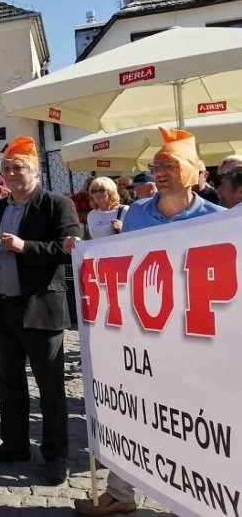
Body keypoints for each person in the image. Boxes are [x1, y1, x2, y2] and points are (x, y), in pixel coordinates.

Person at [71, 126, 224, 516]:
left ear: (193, 170)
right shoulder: (137, 214)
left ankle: (193, 502)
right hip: (141, 340)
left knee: (191, 426)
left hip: (195, 347)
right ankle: (120, 494)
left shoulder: (220, 221)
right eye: (156, 164)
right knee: (132, 414)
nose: (159, 170)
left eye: (169, 164)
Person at [0, 136, 81, 486]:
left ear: (34, 171)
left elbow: (69, 249)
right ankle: (15, 444)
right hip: (2, 306)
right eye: (6, 168)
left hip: (39, 308)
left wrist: (25, 247)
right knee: (9, 383)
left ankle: (55, 454)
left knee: (50, 387)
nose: (10, 173)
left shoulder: (56, 204)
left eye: (17, 167)